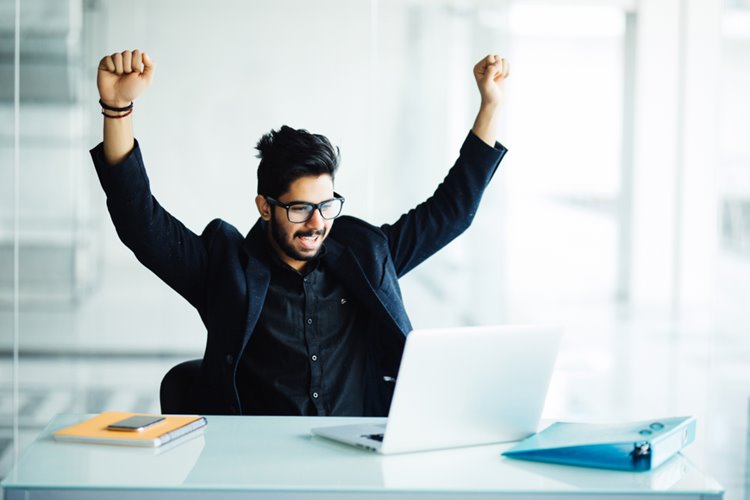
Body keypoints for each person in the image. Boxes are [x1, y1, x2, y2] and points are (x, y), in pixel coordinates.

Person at [91, 49, 510, 416]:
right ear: (264, 207)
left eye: (327, 206)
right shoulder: (226, 269)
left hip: (356, 466)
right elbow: (141, 225)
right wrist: (117, 110)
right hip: (260, 471)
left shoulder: (365, 255)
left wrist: (489, 106)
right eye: (299, 209)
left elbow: (450, 213)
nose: (316, 223)